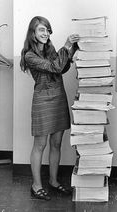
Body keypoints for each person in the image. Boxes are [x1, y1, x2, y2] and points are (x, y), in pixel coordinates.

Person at [20, 16, 80, 200]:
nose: (45, 33)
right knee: (40, 145)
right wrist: (67, 45)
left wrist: (72, 48)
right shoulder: (29, 55)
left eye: (47, 30)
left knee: (56, 143)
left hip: (58, 98)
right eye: (41, 30)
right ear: (33, 33)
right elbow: (54, 66)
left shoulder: (50, 49)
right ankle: (36, 185)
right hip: (42, 100)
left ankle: (53, 181)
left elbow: (61, 68)